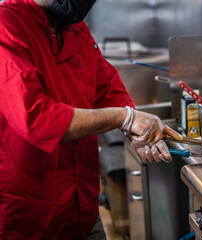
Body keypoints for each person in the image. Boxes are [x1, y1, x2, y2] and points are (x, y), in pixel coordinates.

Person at [0, 0, 182, 239]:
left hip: (83, 214)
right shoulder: (7, 26)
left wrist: (137, 132)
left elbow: (106, 88)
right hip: (31, 221)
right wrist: (124, 118)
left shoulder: (76, 30)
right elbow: (37, 118)